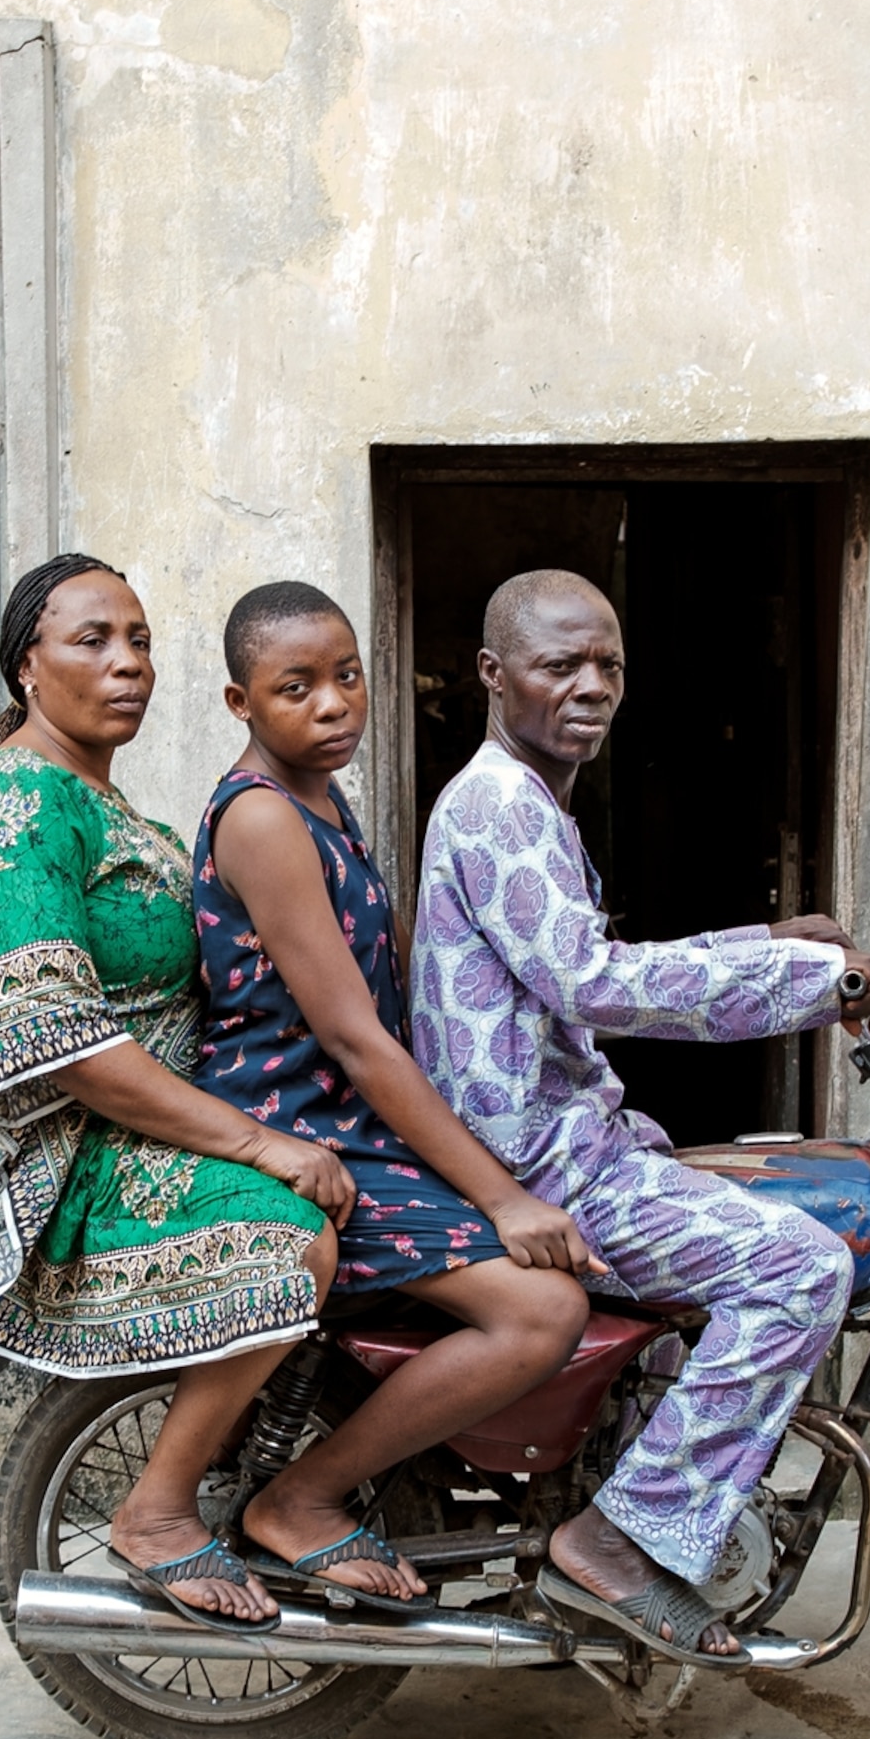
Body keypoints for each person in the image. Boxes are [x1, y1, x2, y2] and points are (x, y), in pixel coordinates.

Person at [410, 569, 870, 1662]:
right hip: (548, 1169)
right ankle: (617, 1542)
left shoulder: (526, 801)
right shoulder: (499, 807)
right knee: (804, 1269)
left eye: (609, 665)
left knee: (759, 1189)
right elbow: (595, 982)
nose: (591, 687)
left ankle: (651, 1474)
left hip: (572, 1143)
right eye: (559, 665)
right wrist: (815, 985)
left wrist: (773, 940)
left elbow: (587, 966)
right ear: (495, 674)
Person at [0, 554, 355, 1630]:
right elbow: (60, 1041)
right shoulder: (17, 802)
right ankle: (157, 1512)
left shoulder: (116, 810)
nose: (127, 664)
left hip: (151, 1119)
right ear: (29, 666)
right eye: (93, 640)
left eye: (141, 640)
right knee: (293, 1237)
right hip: (79, 1150)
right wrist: (260, 1144)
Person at [191, 582, 598, 1602]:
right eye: (296, 687)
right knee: (541, 1310)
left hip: (355, 1117)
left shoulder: (324, 800)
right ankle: (301, 1497)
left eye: (346, 676)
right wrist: (501, 1196)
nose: (332, 704)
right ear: (241, 702)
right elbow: (353, 1036)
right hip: (307, 1124)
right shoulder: (262, 819)